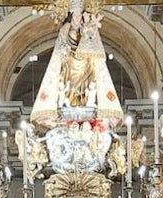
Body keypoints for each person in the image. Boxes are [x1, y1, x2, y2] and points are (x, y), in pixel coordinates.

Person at [30, 0, 123, 129]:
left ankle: (84, 103)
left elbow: (96, 48)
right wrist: (65, 51)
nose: (77, 18)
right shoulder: (65, 29)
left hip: (85, 64)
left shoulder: (88, 27)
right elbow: (59, 48)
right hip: (69, 63)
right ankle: (71, 104)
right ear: (71, 15)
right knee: (70, 87)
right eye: (75, 15)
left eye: (79, 15)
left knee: (86, 85)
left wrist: (90, 29)